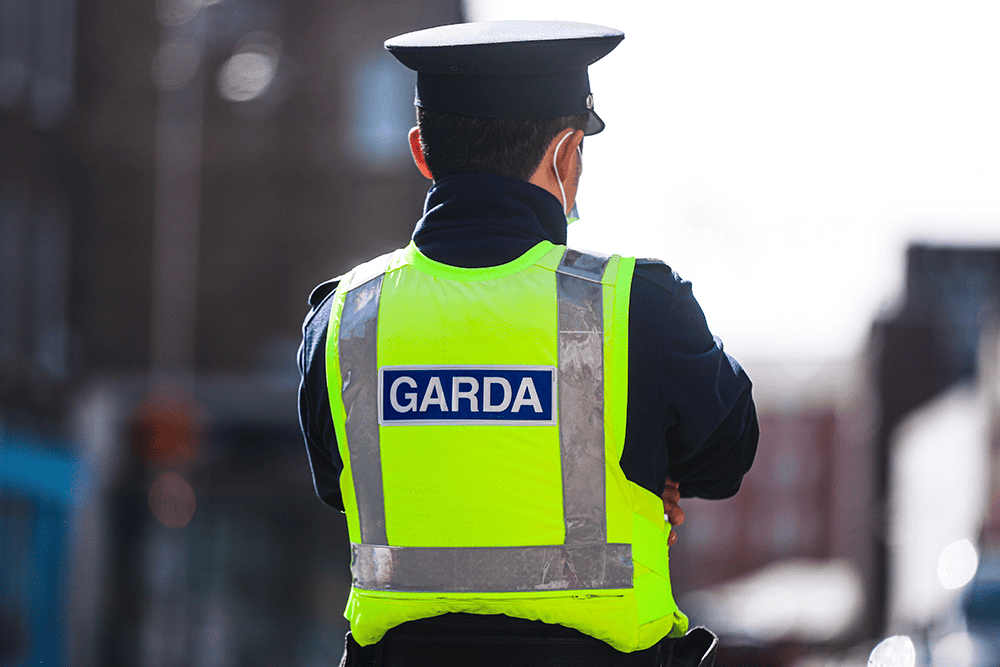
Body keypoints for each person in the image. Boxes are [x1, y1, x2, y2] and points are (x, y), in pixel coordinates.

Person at [298, 20, 758, 667]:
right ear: (566, 152)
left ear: (422, 154)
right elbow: (728, 454)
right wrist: (646, 465)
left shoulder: (343, 319)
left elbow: (338, 484)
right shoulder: (639, 307)